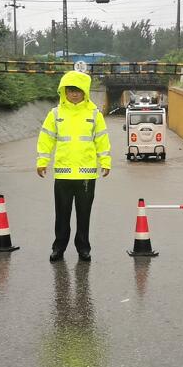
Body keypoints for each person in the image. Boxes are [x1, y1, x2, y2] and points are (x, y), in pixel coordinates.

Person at [36, 71, 111, 262]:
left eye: (78, 90)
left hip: (86, 175)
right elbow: (46, 138)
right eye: (70, 90)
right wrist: (42, 161)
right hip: (63, 175)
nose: (74, 94)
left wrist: (105, 162)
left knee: (84, 215)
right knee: (61, 215)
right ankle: (58, 248)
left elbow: (102, 140)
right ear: (64, 92)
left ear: (84, 91)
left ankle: (83, 249)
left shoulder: (94, 114)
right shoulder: (55, 114)